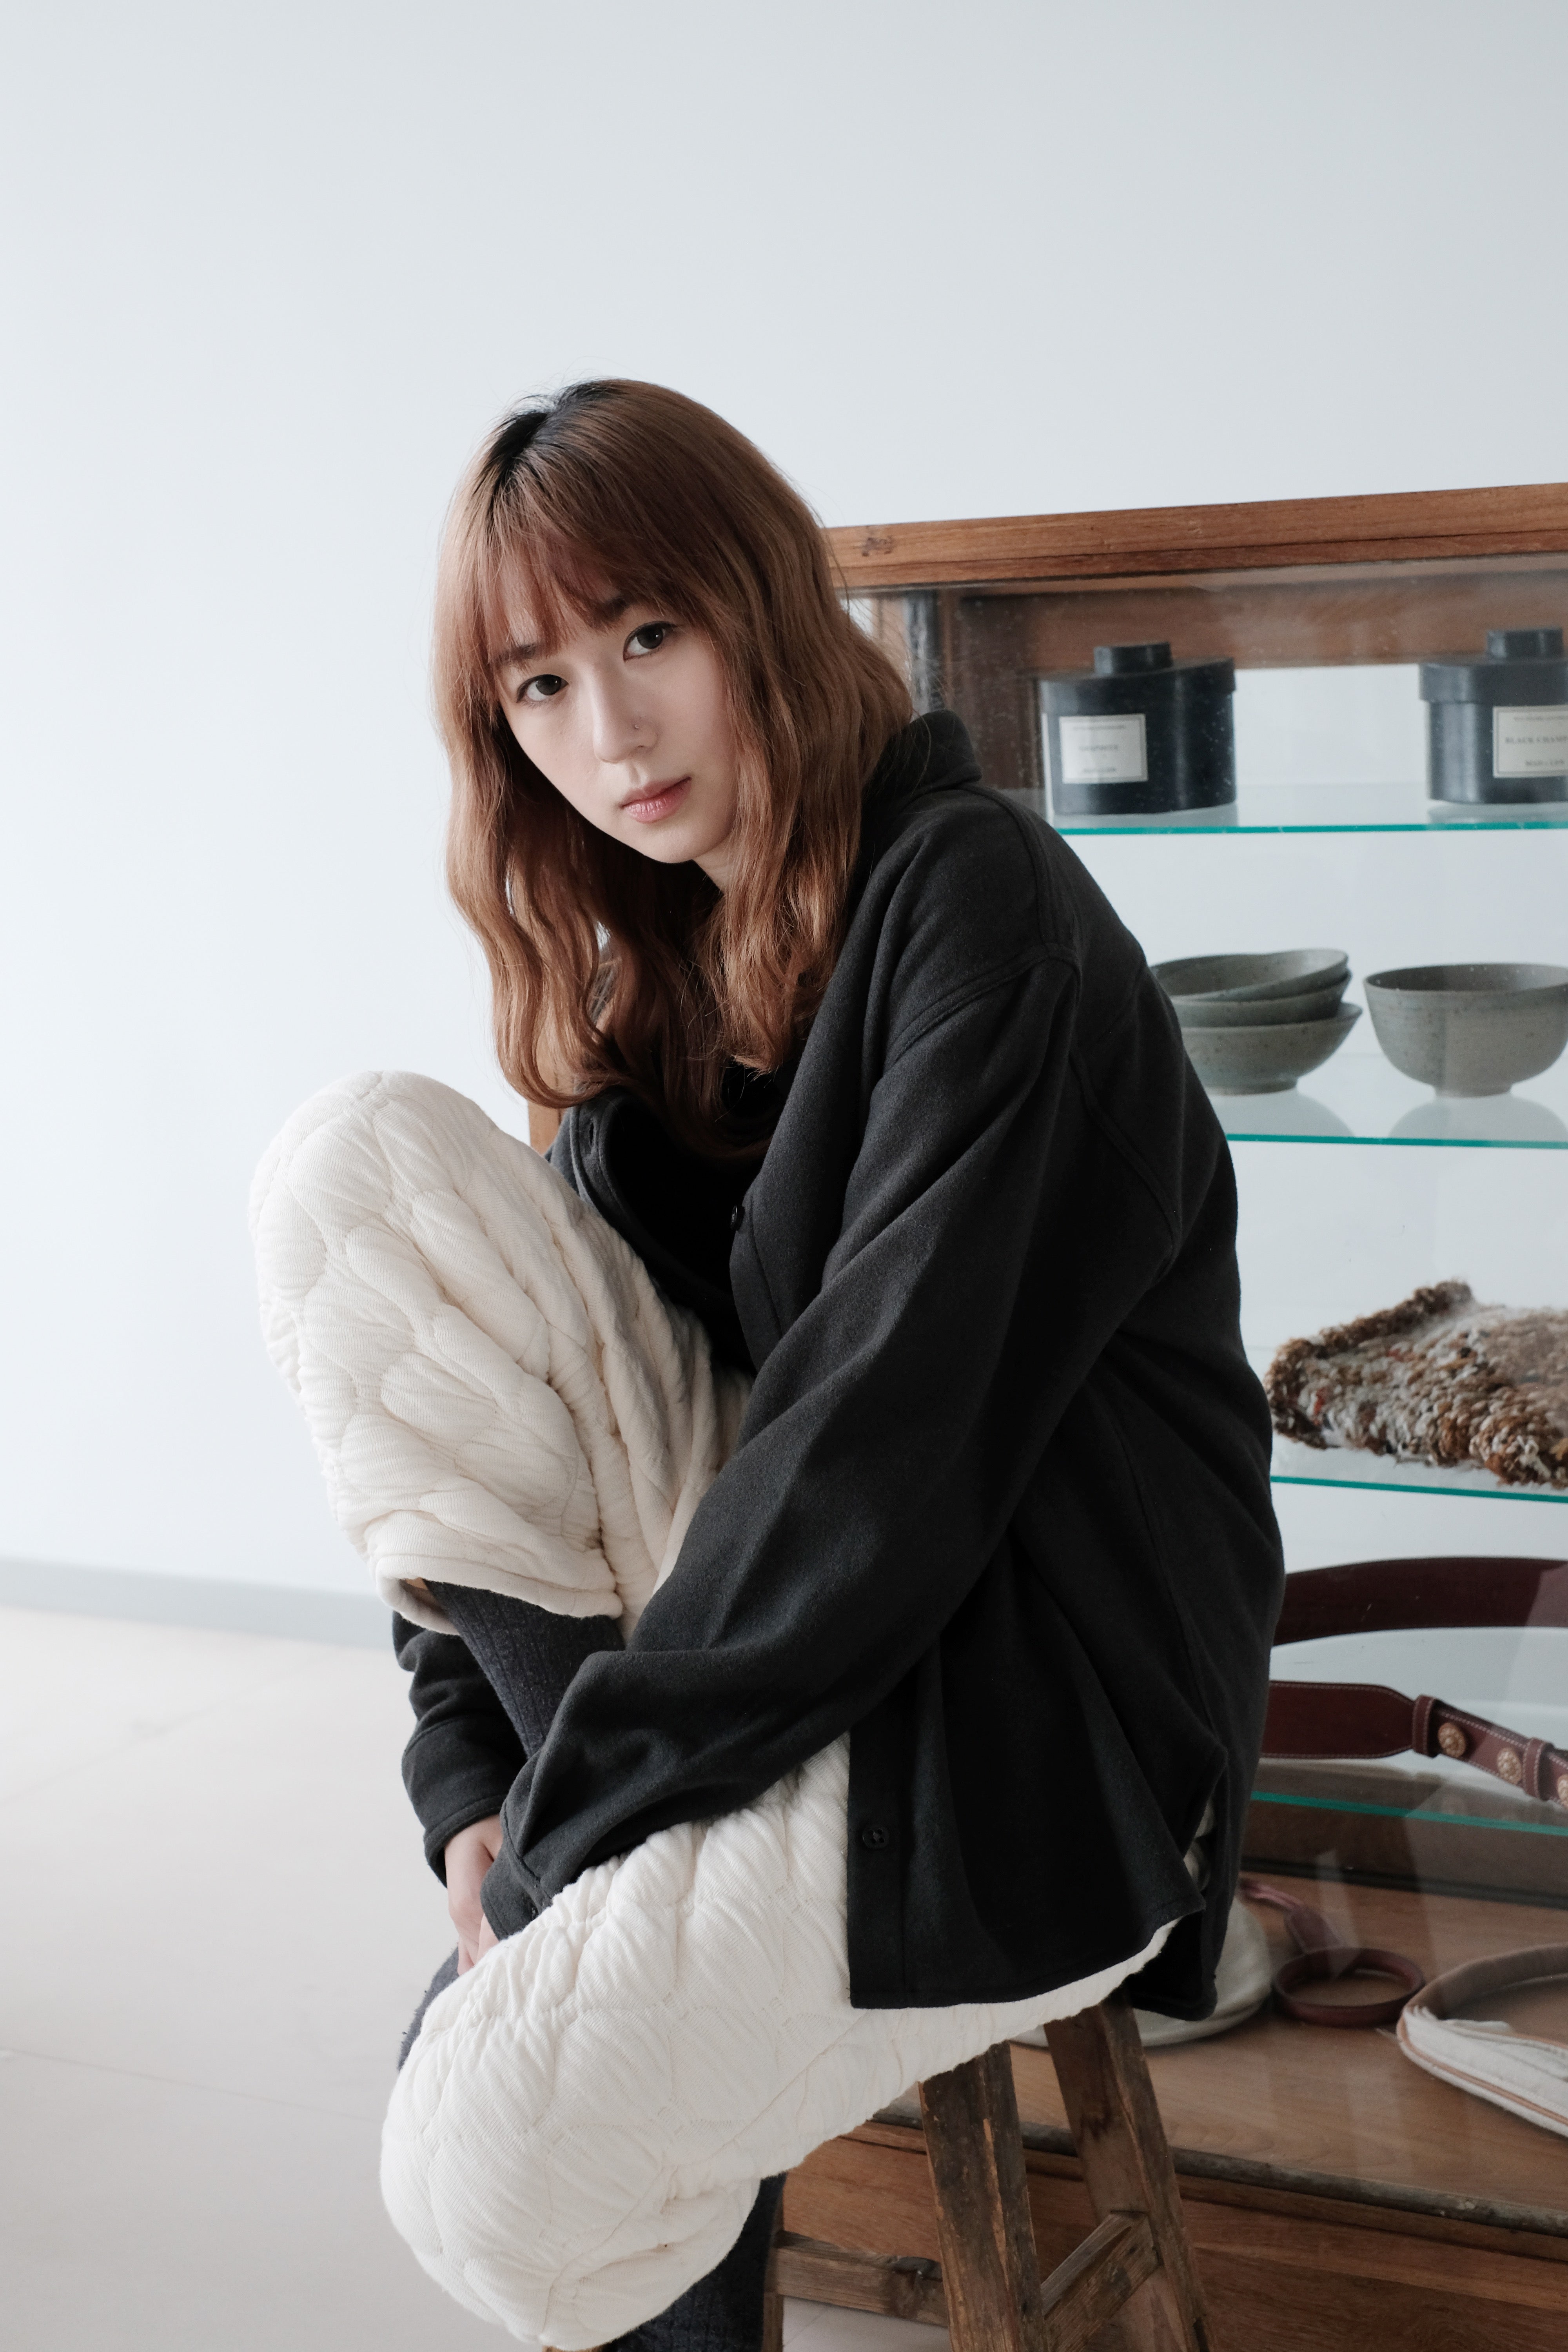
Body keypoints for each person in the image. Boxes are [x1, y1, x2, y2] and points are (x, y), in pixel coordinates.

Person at [256, 379, 1284, 2350]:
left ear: (762, 610)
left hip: (1025, 1717)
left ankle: (601, 1872)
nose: (612, 732)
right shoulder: (658, 967)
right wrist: (476, 1787)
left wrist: (566, 1851)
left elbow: (880, 1453)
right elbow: (494, 1432)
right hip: (783, 1656)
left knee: (479, 2168)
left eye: (649, 635)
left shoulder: (980, 906)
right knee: (351, 1163)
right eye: (541, 687)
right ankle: (605, 1859)